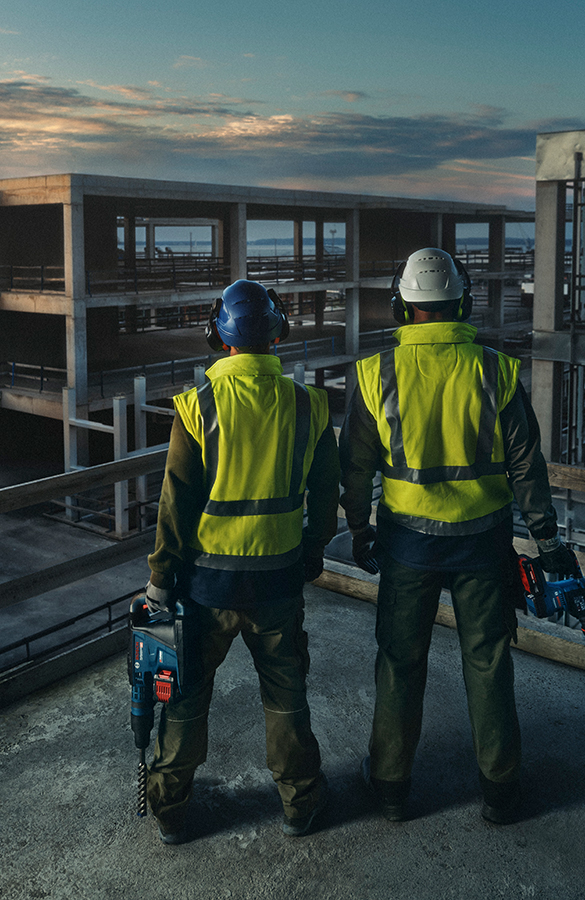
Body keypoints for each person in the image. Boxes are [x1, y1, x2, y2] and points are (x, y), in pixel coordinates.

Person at [340, 247, 580, 825]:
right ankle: (500, 790)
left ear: (402, 308)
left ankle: (391, 788)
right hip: (482, 543)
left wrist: (359, 529)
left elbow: (354, 469)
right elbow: (526, 467)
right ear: (463, 303)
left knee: (400, 661)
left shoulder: (376, 374)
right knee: (489, 660)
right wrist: (547, 542)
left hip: (406, 546)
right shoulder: (495, 371)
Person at [144, 279, 339, 844]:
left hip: (207, 588)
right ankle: (300, 803)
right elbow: (325, 494)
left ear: (218, 336)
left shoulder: (198, 405)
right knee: (286, 694)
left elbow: (175, 503)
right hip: (278, 582)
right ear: (278, 333)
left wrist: (160, 579)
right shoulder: (307, 404)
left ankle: (169, 810)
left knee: (186, 694)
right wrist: (312, 550)